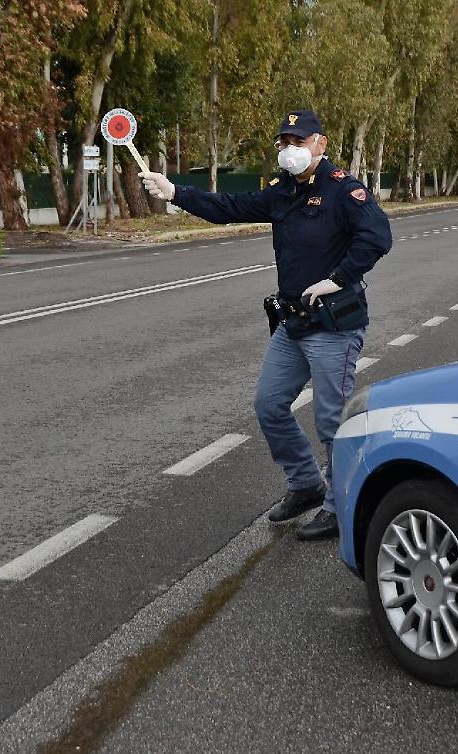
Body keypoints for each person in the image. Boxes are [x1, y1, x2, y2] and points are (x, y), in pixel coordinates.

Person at [139, 110, 392, 541]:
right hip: (293, 324)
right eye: (284, 142)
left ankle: (340, 506)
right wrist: (175, 191)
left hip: (333, 326)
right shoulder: (282, 192)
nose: (289, 149)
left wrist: (338, 278)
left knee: (333, 422)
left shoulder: (343, 190)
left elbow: (378, 236)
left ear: (320, 143)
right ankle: (306, 484)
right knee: (269, 405)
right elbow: (228, 208)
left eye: (298, 140)